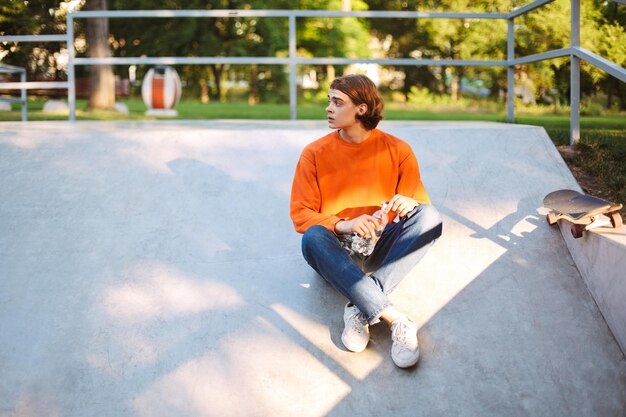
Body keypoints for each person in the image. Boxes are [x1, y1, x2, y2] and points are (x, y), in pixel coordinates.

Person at [290, 74, 443, 368]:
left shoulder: (398, 149)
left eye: (338, 102)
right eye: (329, 101)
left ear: (361, 108)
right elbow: (301, 214)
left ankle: (359, 308)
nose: (328, 108)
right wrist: (343, 224)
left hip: (382, 240)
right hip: (338, 244)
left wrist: (409, 202)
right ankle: (395, 319)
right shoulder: (314, 153)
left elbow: (419, 205)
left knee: (431, 218)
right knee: (311, 238)